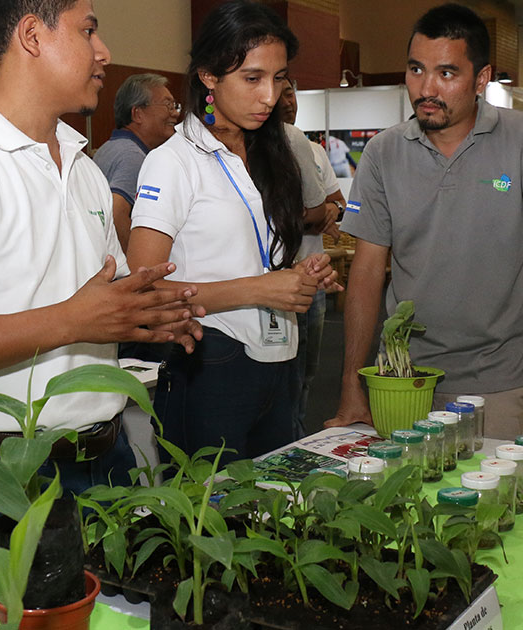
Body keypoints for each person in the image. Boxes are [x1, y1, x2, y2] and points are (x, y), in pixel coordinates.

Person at [0, 0, 202, 553]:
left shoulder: (82, 165)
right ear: (32, 35)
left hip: (107, 461)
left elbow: (99, 299)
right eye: (88, 31)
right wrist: (75, 320)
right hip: (0, 484)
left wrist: (147, 315)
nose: (104, 53)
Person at [326, 4, 523, 439]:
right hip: (401, 375)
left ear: (482, 78)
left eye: (447, 74)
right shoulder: (383, 152)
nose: (426, 88)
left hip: (494, 377)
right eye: (416, 69)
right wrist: (351, 386)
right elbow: (366, 271)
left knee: (480, 501)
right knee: (400, 502)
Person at [127, 0, 340, 459]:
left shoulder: (270, 153)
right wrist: (260, 289)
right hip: (210, 361)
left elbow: (255, 255)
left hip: (279, 358)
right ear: (208, 76)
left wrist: (300, 275)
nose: (270, 96)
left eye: (279, 78)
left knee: (272, 513)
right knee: (206, 520)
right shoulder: (173, 162)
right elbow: (143, 289)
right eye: (252, 78)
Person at [277, 79, 345, 430]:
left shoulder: (313, 149)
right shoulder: (271, 147)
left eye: (291, 93)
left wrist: (327, 213)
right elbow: (283, 217)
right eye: (280, 92)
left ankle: (298, 430)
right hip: (278, 281)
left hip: (316, 277)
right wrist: (314, 218)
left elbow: (340, 202)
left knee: (309, 372)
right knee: (285, 370)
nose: (287, 101)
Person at [93, 73, 183, 251]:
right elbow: (116, 213)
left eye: (175, 106)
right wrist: (136, 270)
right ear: (138, 113)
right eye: (167, 105)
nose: (175, 113)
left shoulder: (108, 147)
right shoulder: (133, 156)